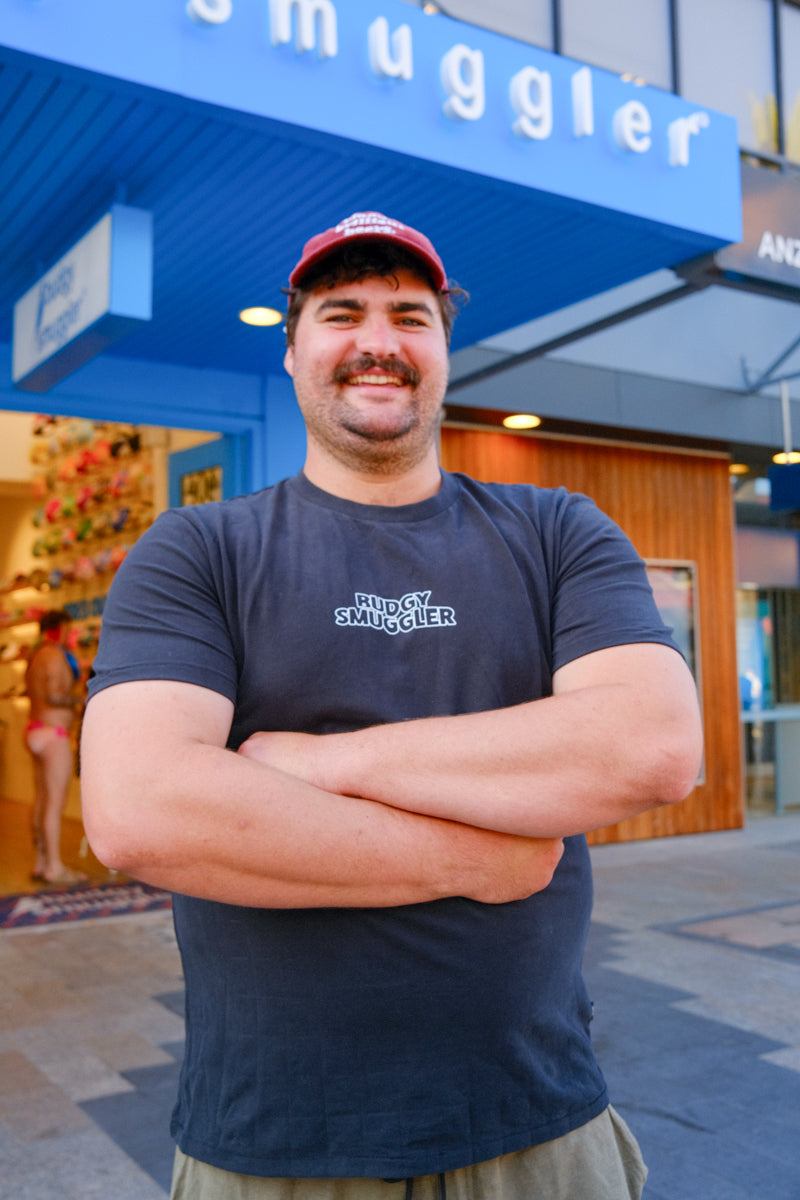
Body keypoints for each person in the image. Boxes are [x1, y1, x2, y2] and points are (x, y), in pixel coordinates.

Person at [80, 211, 703, 1200]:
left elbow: (649, 746)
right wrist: (481, 858)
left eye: (409, 315)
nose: (378, 341)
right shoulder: (196, 549)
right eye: (341, 312)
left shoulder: (555, 533)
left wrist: (311, 764)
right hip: (271, 1146)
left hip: (538, 1131)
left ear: (444, 352)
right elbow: (139, 807)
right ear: (292, 351)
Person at [25, 608, 87, 885]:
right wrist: (81, 698)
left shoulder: (34, 656)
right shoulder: (55, 655)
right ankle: (55, 868)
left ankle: (41, 863)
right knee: (55, 802)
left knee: (40, 800)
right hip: (55, 734)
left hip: (35, 730)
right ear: (60, 627)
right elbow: (54, 696)